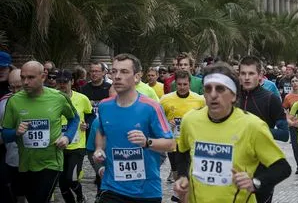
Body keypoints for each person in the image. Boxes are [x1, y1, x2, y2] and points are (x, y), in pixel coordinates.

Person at [174, 62, 291, 203]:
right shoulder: (190, 120)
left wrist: (255, 183)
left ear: (234, 96)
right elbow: (182, 152)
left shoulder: (252, 125)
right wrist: (182, 176)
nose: (213, 95)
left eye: (220, 89)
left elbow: (282, 167)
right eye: (208, 89)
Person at [93, 53, 175, 202]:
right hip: (112, 187)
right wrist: (99, 149)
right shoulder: (104, 106)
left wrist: (147, 142)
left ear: (137, 77)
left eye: (124, 72)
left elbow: (170, 144)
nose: (117, 76)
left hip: (146, 191)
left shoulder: (151, 107)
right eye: (114, 71)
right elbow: (102, 132)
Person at [1, 61, 79, 203]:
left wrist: (67, 137)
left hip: (51, 162)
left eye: (30, 78)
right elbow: (5, 135)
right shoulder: (13, 101)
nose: (25, 82)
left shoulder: (58, 98)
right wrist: (16, 133)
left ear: (43, 77)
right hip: (26, 164)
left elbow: (74, 119)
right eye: (23, 77)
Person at [239, 56, 289, 203]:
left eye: (251, 73)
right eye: (243, 73)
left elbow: (284, 134)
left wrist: (257, 131)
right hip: (236, 166)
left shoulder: (270, 98)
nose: (247, 78)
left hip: (262, 167)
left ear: (260, 75)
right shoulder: (231, 98)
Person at [160, 70, 206, 201]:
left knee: (188, 175)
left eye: (185, 84)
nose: (182, 87)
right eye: (179, 84)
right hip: (173, 144)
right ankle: (183, 197)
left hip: (192, 144)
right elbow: (159, 121)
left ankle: (186, 199)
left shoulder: (199, 100)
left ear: (189, 84)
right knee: (177, 175)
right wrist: (168, 125)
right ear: (175, 84)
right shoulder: (165, 99)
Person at [56, 69, 93, 203]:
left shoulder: (82, 98)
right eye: (59, 82)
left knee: (72, 179)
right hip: (58, 146)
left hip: (77, 146)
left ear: (71, 82)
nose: (62, 85)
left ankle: (80, 196)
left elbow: (91, 116)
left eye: (65, 82)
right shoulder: (51, 98)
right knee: (62, 182)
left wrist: (87, 124)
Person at [0, 69, 25, 203]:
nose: (15, 91)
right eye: (12, 87)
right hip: (14, 159)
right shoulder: (4, 103)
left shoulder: (43, 98)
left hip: (38, 159)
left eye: (18, 87)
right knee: (18, 194)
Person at [282, 75, 298, 175]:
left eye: (296, 81)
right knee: (295, 147)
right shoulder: (288, 97)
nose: (294, 83)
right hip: (293, 125)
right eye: (292, 81)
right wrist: (289, 121)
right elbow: (284, 110)